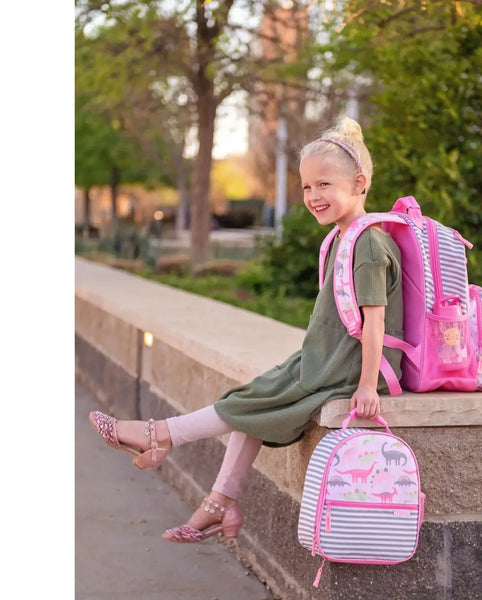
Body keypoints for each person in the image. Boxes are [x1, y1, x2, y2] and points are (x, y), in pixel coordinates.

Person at [89, 115, 404, 544]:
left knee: (252, 403)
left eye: (324, 185)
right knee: (251, 400)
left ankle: (157, 435)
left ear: (359, 182)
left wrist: (368, 386)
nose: (313, 196)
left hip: (346, 372)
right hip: (325, 361)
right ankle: (219, 503)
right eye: (307, 187)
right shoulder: (343, 237)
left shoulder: (367, 242)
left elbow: (375, 322)